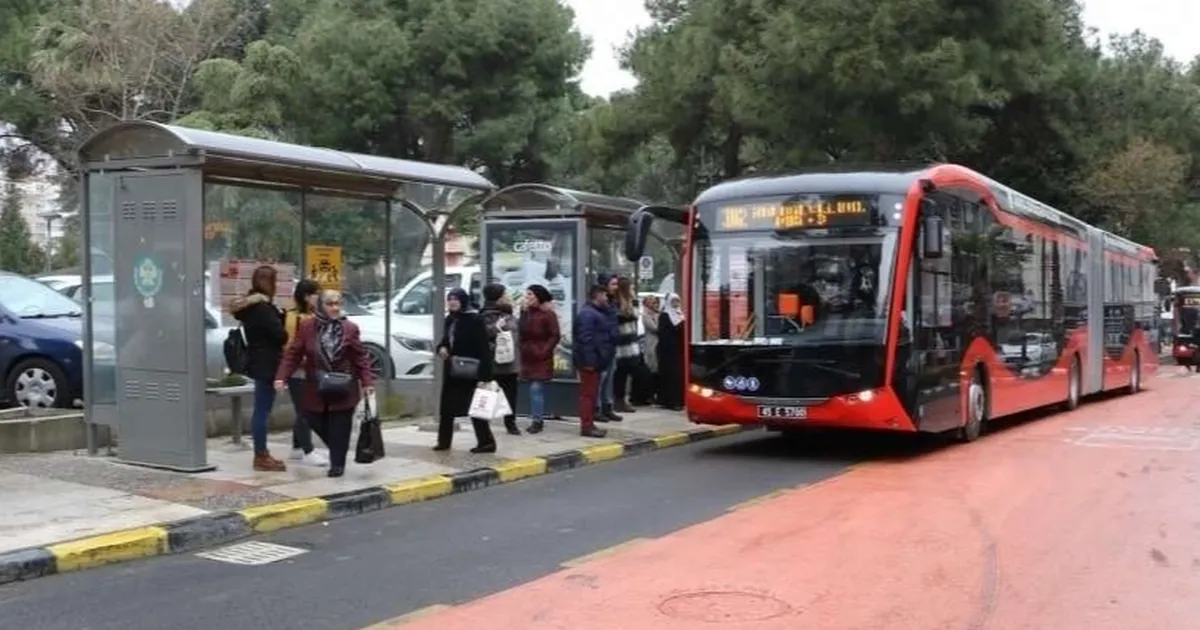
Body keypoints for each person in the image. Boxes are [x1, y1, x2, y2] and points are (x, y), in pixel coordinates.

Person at [274, 290, 374, 477]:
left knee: (340, 425)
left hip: (344, 385)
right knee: (310, 417)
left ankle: (337, 464)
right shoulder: (307, 327)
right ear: (320, 306)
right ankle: (338, 448)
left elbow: (360, 357)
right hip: (316, 385)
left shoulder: (350, 328)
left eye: (337, 304)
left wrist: (367, 382)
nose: (335, 308)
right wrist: (282, 377)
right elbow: (293, 354)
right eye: (330, 304)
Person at [229, 265, 288, 472]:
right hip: (267, 363)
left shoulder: (249, 307)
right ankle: (261, 455)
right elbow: (281, 335)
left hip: (257, 360)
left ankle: (261, 453)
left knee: (261, 408)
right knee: (262, 410)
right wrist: (281, 317)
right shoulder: (263, 308)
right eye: (275, 281)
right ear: (269, 283)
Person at [435, 288, 495, 453]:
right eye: (450, 299)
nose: (452, 302)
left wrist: (485, 375)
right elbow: (445, 341)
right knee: (446, 408)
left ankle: (487, 442)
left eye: (456, 299)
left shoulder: (474, 319)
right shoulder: (449, 320)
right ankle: (443, 442)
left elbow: (484, 348)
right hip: (453, 370)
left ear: (463, 300)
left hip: (470, 371)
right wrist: (441, 348)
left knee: (475, 407)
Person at [283, 279, 327, 467]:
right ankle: (308, 450)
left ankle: (296, 447)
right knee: (305, 411)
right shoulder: (295, 317)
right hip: (299, 370)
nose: (319, 298)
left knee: (303, 409)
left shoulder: (314, 314)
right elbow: (290, 345)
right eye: (316, 294)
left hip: (311, 369)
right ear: (306, 296)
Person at [573, 284, 614, 438]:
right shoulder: (588, 315)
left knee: (591, 393)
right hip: (589, 362)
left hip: (596, 361)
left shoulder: (595, 313)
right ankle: (586, 425)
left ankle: (590, 423)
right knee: (588, 395)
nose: (606, 298)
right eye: (604, 295)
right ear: (597, 295)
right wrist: (590, 361)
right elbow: (585, 340)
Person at [480, 283, 521, 435]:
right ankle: (484, 425)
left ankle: (511, 423)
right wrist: (495, 327)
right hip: (493, 362)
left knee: (511, 393)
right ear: (497, 298)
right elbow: (483, 335)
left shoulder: (508, 312)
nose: (507, 297)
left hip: (509, 361)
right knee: (489, 393)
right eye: (504, 294)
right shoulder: (485, 315)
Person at [519, 284, 559, 434]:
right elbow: (521, 332)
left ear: (538, 297)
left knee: (536, 388)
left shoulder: (548, 314)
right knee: (533, 387)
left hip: (541, 355)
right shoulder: (526, 313)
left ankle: (537, 420)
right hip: (528, 355)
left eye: (530, 295)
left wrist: (544, 350)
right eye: (526, 294)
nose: (527, 298)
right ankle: (537, 416)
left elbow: (555, 335)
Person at [594, 272, 623, 422]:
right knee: (601, 377)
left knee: (609, 377)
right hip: (603, 345)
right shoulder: (600, 304)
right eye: (613, 284)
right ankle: (597, 408)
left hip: (612, 344)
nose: (616, 288)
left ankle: (607, 406)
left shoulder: (613, 302)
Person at [613, 276, 643, 413]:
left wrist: (633, 301)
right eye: (631, 287)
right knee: (620, 373)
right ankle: (618, 400)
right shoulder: (617, 303)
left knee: (629, 372)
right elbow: (624, 317)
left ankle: (623, 399)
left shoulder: (632, 303)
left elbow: (635, 315)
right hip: (620, 343)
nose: (633, 290)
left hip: (630, 341)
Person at [657, 292, 686, 411]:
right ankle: (670, 401)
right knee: (670, 375)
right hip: (668, 351)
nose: (676, 303)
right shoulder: (664, 315)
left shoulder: (680, 314)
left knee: (678, 375)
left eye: (677, 301)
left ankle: (679, 400)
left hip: (678, 349)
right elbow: (663, 333)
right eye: (673, 301)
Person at [638, 294, 662, 405]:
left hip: (660, 345)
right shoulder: (646, 315)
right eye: (652, 302)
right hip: (651, 344)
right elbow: (655, 328)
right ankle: (650, 394)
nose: (655, 304)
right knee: (652, 369)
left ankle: (658, 393)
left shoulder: (658, 314)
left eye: (656, 302)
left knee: (658, 370)